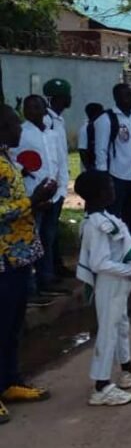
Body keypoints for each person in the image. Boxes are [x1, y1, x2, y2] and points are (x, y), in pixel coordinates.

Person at [74, 171, 131, 407]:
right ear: (98, 194)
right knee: (108, 330)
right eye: (109, 187)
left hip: (118, 282)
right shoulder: (96, 225)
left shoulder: (104, 217)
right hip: (110, 282)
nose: (113, 190)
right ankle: (101, 385)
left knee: (121, 324)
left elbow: (120, 246)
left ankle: (127, 367)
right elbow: (99, 263)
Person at [0, 103, 56, 424]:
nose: (19, 129)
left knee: (12, 326)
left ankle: (10, 382)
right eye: (12, 125)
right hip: (3, 260)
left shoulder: (7, 158)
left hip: (20, 256)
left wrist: (36, 204)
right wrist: (29, 203)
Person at [12, 95, 68, 299]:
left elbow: (61, 161)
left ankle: (47, 278)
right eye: (28, 107)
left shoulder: (53, 134)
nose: (32, 111)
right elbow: (9, 156)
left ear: (45, 109)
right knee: (30, 240)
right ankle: (31, 287)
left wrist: (61, 191)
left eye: (37, 107)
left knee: (48, 238)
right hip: (32, 197)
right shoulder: (21, 133)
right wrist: (22, 169)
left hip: (53, 196)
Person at [92, 83, 131, 240]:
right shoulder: (106, 119)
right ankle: (115, 251)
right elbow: (101, 151)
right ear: (117, 98)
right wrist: (104, 179)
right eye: (128, 95)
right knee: (114, 217)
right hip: (117, 177)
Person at [42, 78, 73, 278]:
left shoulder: (58, 120)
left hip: (60, 184)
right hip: (49, 185)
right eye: (67, 96)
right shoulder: (46, 121)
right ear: (59, 98)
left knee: (52, 230)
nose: (70, 99)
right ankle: (47, 274)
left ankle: (56, 265)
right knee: (46, 232)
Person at [77, 102, 105, 172]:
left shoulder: (100, 127)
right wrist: (89, 168)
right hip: (90, 169)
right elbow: (82, 150)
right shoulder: (85, 129)